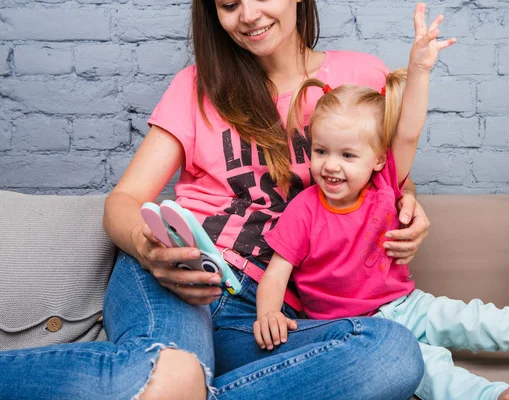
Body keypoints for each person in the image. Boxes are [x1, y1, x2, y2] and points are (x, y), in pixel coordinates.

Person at [0, 1, 433, 399]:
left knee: (392, 351)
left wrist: (408, 203)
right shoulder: (195, 88)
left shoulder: (362, 75)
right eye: (228, 4)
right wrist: (150, 250)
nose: (247, 15)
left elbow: (390, 170)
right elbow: (123, 201)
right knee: (170, 371)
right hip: (178, 276)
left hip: (271, 311)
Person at [253, 5, 509, 400]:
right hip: (358, 333)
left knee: (484, 322)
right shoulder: (305, 209)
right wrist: (268, 313)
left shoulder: (385, 185)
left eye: (347, 156)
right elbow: (276, 273)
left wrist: (419, 69)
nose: (330, 166)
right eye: (320, 151)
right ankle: (490, 397)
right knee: (428, 370)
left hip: (407, 305)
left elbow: (410, 129)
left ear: (378, 159)